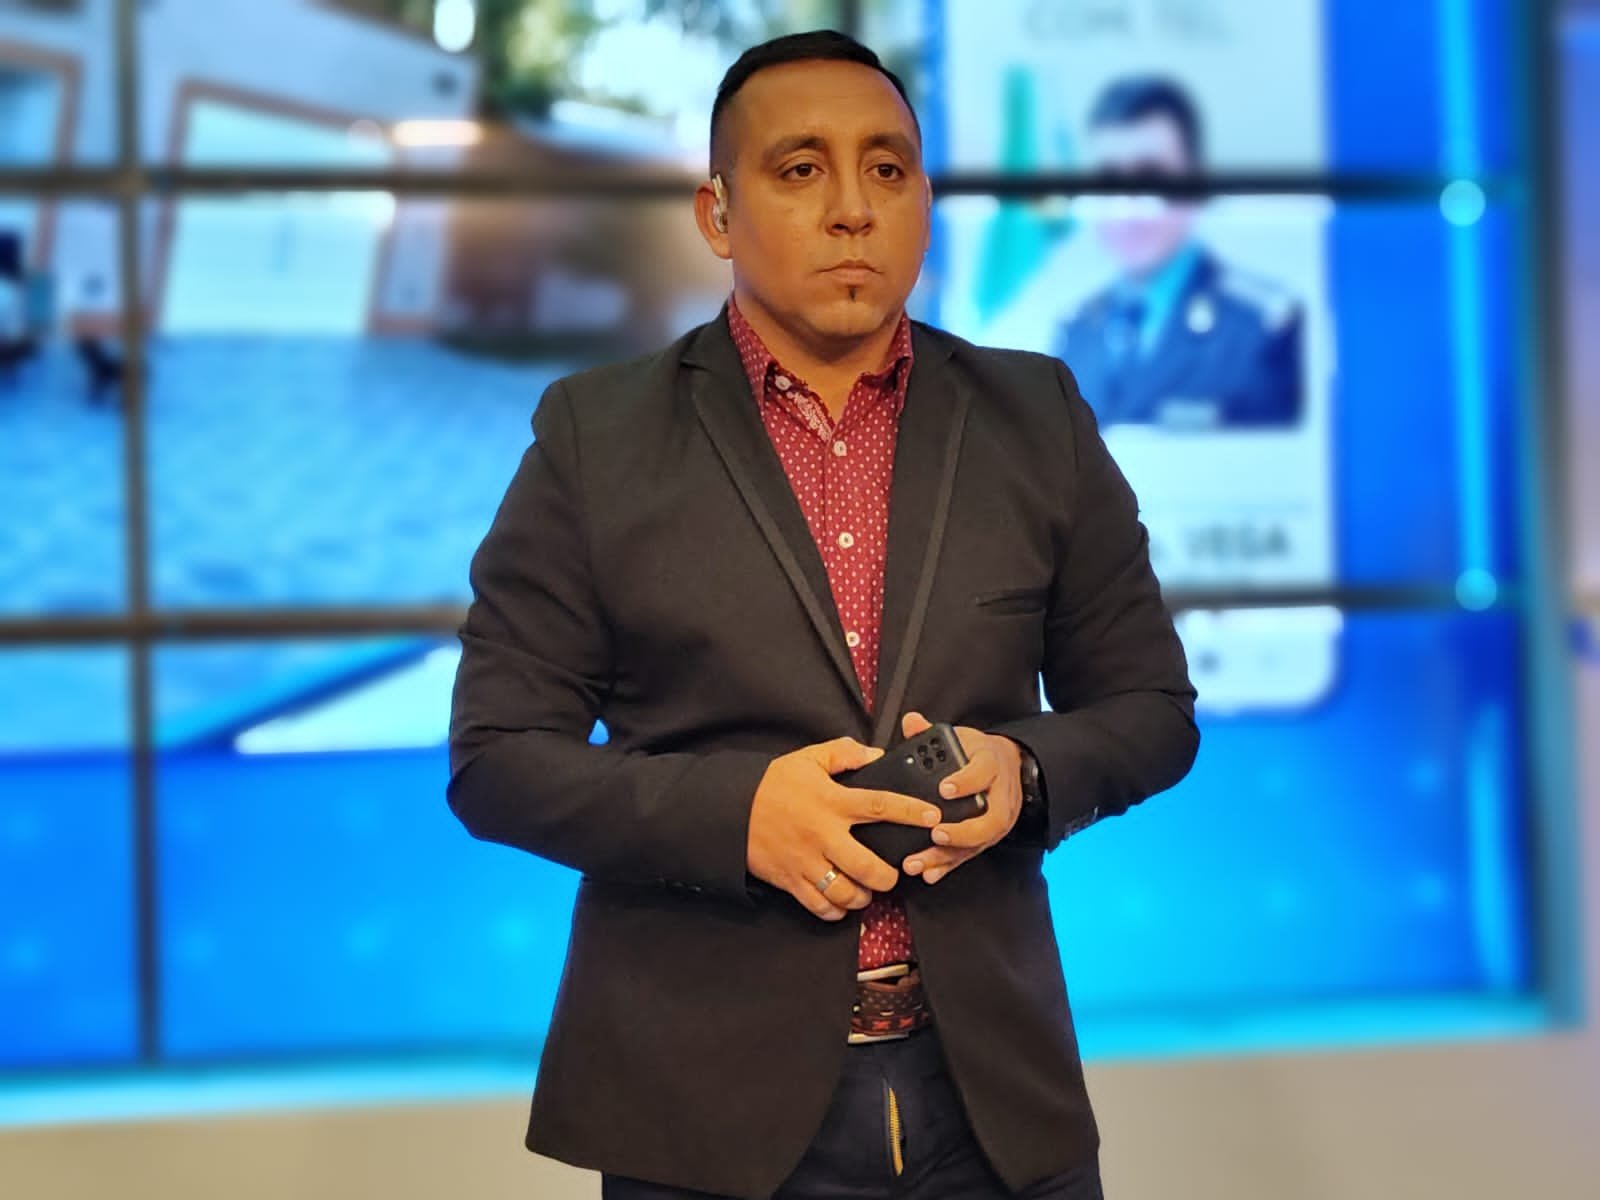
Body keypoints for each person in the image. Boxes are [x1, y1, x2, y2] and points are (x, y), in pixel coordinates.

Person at [448, 31, 1197, 1200]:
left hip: (995, 1099)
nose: (852, 208)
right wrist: (741, 816)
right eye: (800, 169)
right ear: (717, 213)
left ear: (924, 202)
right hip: (704, 1111)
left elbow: (1150, 709)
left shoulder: (1034, 415)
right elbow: (497, 759)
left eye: (886, 169)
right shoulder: (597, 437)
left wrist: (1026, 773)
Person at [1052, 76, 1303, 430]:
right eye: (1109, 180)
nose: (1127, 203)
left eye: (1150, 177)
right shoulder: (1076, 332)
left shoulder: (1260, 326)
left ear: (1196, 182)